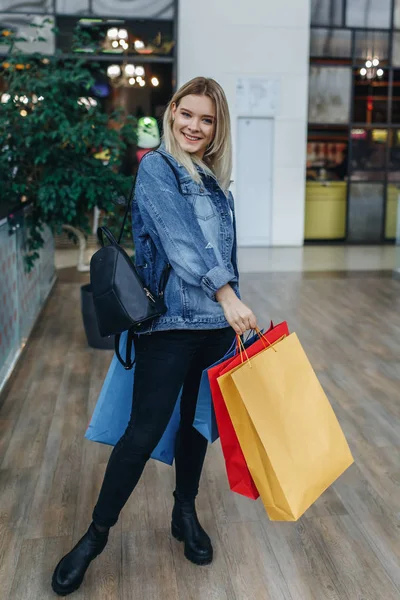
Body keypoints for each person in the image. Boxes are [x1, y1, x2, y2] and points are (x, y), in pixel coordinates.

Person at [51, 76, 258, 596]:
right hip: (169, 325)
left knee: (195, 427)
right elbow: (183, 245)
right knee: (142, 434)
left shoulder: (213, 179)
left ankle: (183, 514)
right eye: (187, 114)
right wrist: (228, 296)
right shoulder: (156, 169)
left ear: (217, 129)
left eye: (206, 119)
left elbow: (223, 253)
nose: (194, 126)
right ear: (172, 113)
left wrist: (231, 309)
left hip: (213, 328)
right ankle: (95, 537)